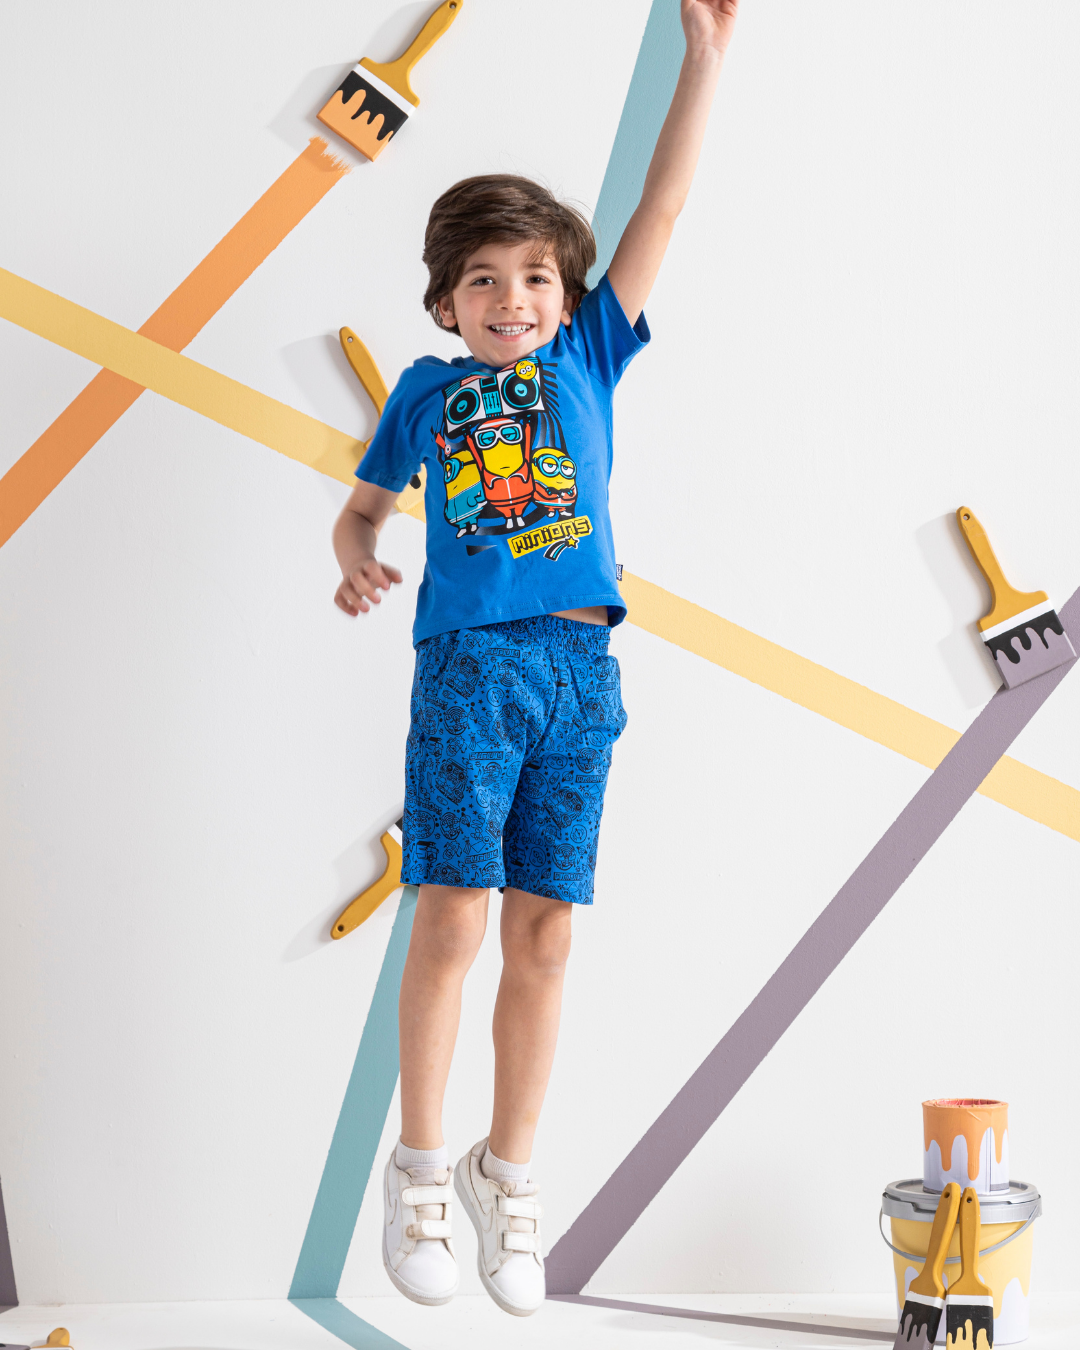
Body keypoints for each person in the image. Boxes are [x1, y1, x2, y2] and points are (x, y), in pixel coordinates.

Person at [331, 0, 739, 1318]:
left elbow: (661, 211)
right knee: (452, 908)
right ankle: (422, 1168)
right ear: (446, 299)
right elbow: (360, 508)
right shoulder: (425, 394)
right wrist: (356, 553)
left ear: (565, 296)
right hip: (472, 669)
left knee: (547, 929)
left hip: (583, 673)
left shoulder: (588, 357)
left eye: (536, 279)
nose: (514, 299)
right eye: (485, 280)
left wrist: (704, 62)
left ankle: (509, 1177)